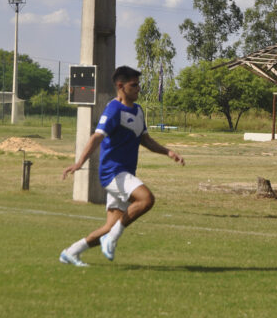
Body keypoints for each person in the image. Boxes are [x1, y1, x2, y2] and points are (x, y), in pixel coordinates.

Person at [59, 66, 185, 267]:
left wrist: (168, 152)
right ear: (120, 86)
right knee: (147, 199)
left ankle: (71, 252)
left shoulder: (138, 110)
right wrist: (79, 163)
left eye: (138, 84)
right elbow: (96, 137)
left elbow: (145, 140)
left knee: (110, 225)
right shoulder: (114, 109)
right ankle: (112, 238)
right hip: (113, 173)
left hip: (125, 173)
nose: (138, 88)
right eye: (133, 85)